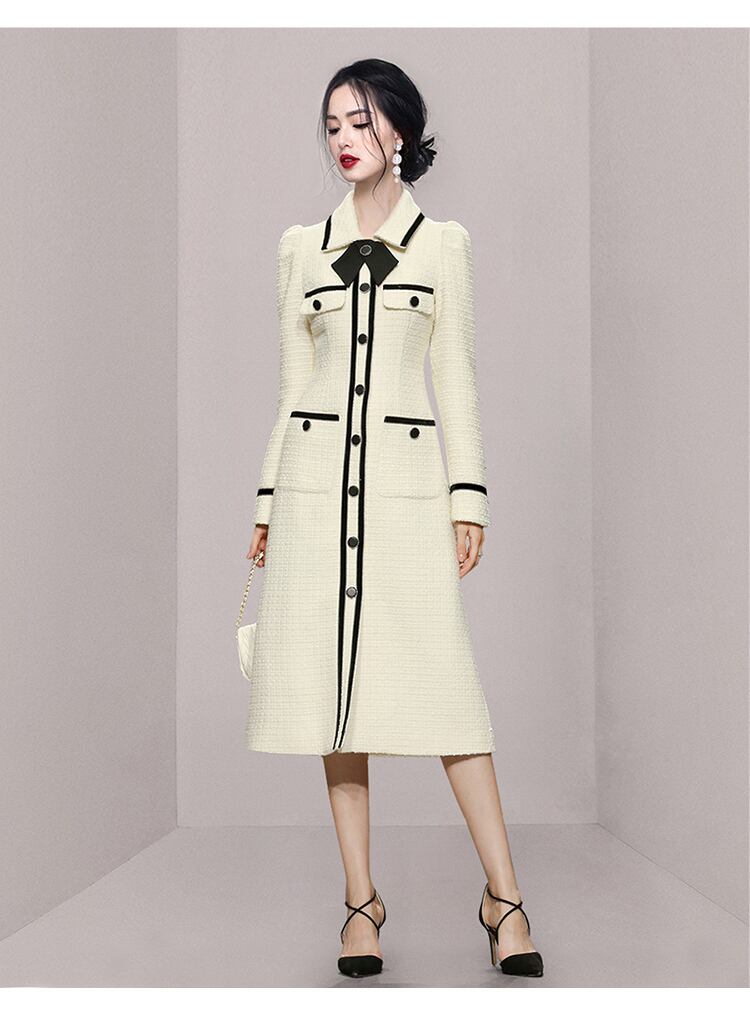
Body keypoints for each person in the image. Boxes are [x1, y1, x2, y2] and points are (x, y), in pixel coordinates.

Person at [245, 58, 544, 980]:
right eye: (333, 123)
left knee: (449, 692)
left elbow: (456, 377)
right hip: (312, 493)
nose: (344, 138)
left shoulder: (443, 244)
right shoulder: (301, 249)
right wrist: (267, 501)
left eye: (362, 121)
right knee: (337, 701)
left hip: (407, 495)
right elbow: (293, 387)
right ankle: (360, 903)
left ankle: (505, 897)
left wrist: (469, 496)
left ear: (401, 132)